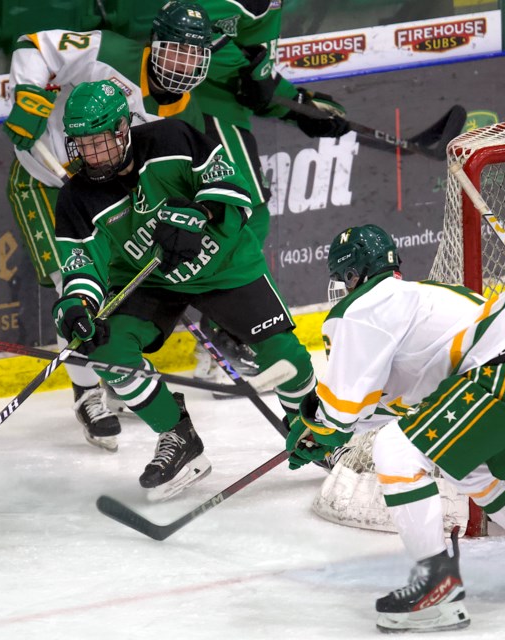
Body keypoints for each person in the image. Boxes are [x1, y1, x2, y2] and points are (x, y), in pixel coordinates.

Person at [50, 79, 318, 501]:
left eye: (99, 141)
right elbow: (82, 265)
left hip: (222, 265)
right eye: (81, 144)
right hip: (148, 280)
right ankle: (179, 438)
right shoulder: (76, 198)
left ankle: (314, 431)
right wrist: (78, 303)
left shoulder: (172, 138)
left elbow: (237, 193)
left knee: (286, 356)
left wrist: (198, 212)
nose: (90, 154)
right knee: (106, 349)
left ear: (123, 128)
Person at [284, 224, 505, 632]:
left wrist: (316, 423)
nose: (341, 287)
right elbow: (395, 409)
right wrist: (330, 427)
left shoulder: (365, 308)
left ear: (355, 273)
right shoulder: (408, 300)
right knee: (470, 465)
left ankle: (438, 588)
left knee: (396, 449)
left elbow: (340, 411)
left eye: (343, 277)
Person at [2, 1, 216, 451]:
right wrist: (28, 94)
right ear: (154, 44)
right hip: (47, 182)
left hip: (106, 194)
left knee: (115, 285)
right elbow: (33, 46)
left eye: (194, 56)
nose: (182, 65)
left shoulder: (184, 114)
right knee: (75, 288)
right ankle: (85, 393)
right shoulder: (109, 52)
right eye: (174, 51)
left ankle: (111, 371)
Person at [189, 0, 352, 388]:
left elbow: (253, 83)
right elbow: (193, 47)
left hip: (224, 112)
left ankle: (222, 340)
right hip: (195, 109)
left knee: (245, 220)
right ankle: (233, 334)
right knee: (242, 217)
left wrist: (299, 108)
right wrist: (275, 90)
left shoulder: (270, 8)